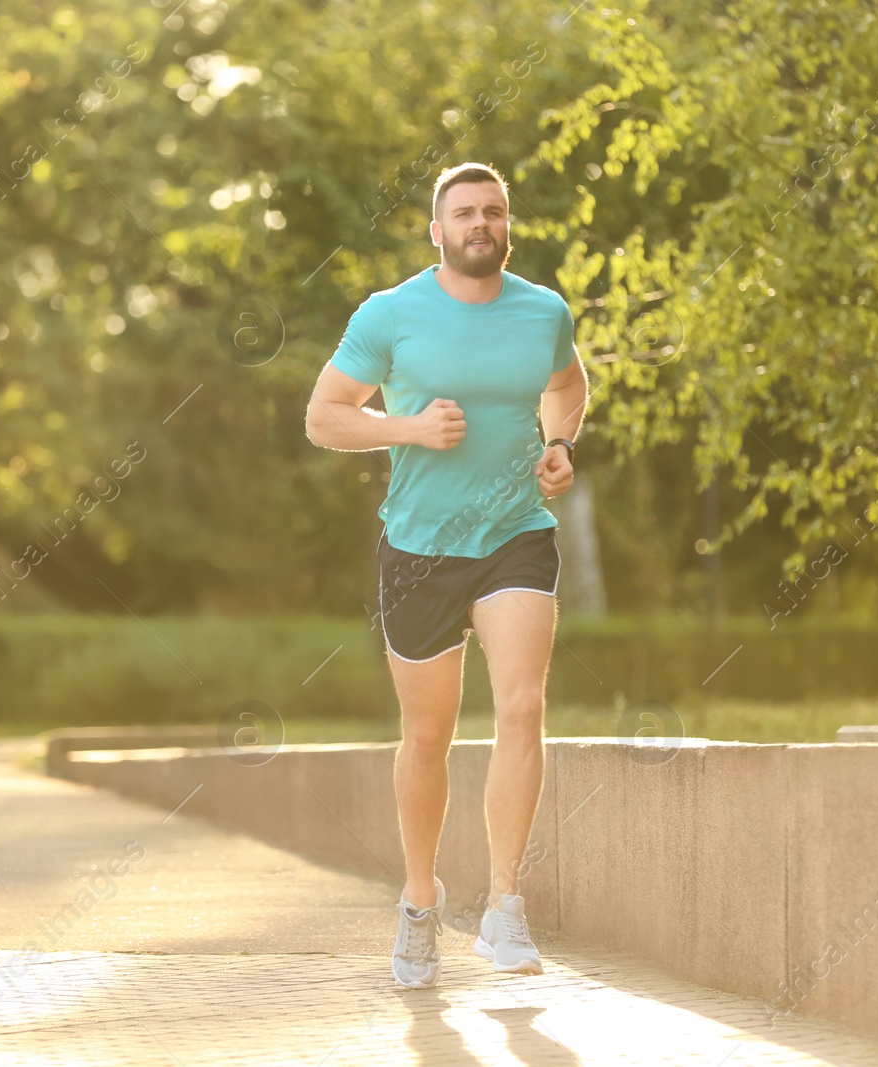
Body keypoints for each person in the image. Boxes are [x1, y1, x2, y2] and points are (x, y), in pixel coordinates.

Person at [304, 161, 589, 988]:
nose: (479, 224)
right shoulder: (391, 314)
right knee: (427, 737)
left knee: (523, 704)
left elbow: (568, 384)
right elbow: (324, 416)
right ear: (436, 230)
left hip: (515, 537)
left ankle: (504, 905)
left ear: (508, 225)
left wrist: (560, 444)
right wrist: (409, 429)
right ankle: (421, 903)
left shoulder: (544, 312)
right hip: (421, 547)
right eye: (463, 213)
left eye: (492, 212)